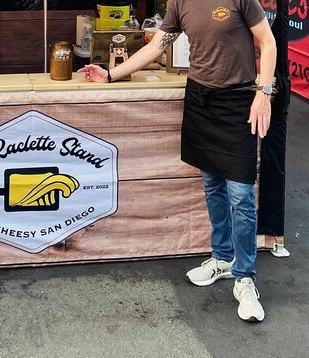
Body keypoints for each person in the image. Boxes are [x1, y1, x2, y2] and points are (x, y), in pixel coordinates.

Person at [78, 0, 276, 322]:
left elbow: (268, 43)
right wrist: (110, 74)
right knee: (212, 186)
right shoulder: (179, 2)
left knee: (240, 195)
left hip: (238, 101)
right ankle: (222, 257)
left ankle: (245, 277)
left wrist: (263, 92)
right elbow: (157, 45)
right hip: (200, 100)